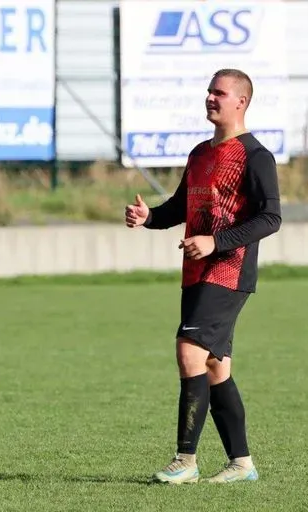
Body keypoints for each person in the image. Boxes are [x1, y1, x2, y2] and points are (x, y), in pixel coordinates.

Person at [125, 68, 281, 484]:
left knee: (189, 350)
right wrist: (149, 217)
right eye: (209, 91)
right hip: (195, 271)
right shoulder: (199, 153)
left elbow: (271, 218)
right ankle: (241, 464)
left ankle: (185, 461)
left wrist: (217, 242)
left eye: (220, 92)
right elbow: (180, 209)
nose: (211, 97)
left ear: (241, 102)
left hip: (229, 271)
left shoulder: (255, 155)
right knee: (214, 367)